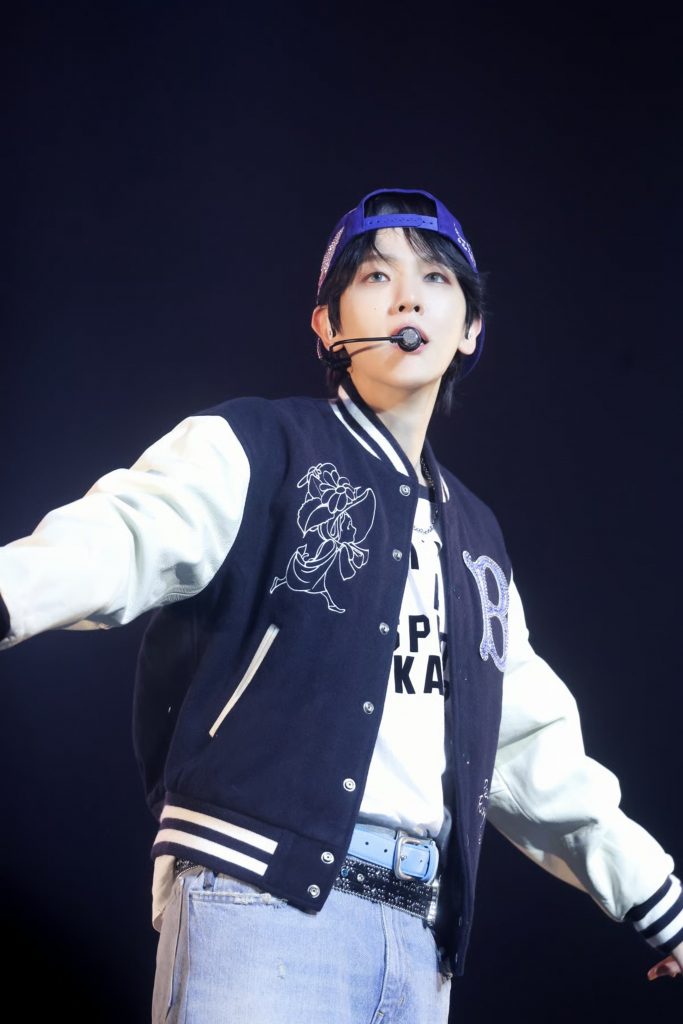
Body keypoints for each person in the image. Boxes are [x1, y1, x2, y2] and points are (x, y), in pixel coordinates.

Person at [0, 187, 680, 1023]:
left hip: (420, 945)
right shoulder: (256, 446)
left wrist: (658, 901)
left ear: (470, 329)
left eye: (435, 278)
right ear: (327, 326)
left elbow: (530, 746)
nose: (407, 298)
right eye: (374, 275)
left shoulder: (474, 540)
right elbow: (121, 535)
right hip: (258, 901)